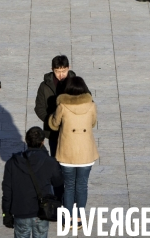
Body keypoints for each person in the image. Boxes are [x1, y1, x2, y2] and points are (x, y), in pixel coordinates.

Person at [49, 77, 98, 229]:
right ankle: (79, 219)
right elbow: (93, 123)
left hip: (67, 153)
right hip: (86, 152)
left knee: (69, 186)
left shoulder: (62, 106)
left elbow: (54, 124)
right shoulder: (91, 105)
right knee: (82, 185)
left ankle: (67, 219)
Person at [2, 126, 63, 238]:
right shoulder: (50, 162)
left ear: (26, 140)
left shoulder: (12, 163)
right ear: (42, 142)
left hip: (21, 211)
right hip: (42, 211)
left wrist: (6, 213)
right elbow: (58, 182)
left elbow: (7, 191)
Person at [34, 55, 75, 157]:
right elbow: (39, 107)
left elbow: (88, 101)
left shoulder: (76, 83)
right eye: (58, 71)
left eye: (64, 71)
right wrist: (51, 121)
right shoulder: (44, 86)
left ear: (69, 68)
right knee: (55, 160)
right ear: (52, 70)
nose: (61, 75)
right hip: (53, 132)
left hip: (74, 130)